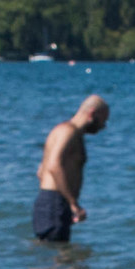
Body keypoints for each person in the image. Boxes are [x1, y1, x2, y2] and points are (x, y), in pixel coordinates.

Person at [32, 94, 108, 242]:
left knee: (55, 258)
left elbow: (41, 172)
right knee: (60, 261)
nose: (103, 127)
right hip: (54, 203)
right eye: (102, 121)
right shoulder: (68, 132)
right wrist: (73, 203)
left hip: (52, 203)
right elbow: (53, 166)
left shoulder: (62, 131)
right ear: (92, 114)